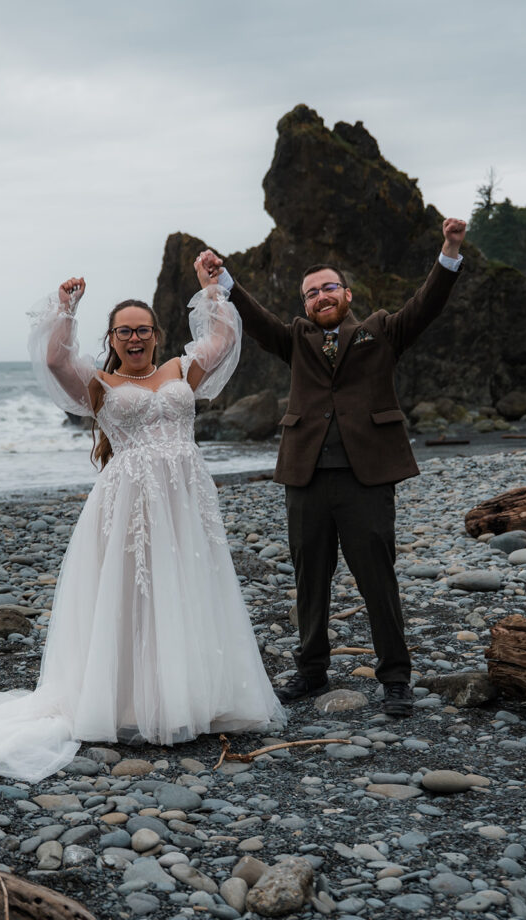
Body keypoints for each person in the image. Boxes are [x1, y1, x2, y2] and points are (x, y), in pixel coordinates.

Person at [0, 261, 284, 781]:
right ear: (113, 339)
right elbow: (53, 358)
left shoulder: (184, 371)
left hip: (186, 498)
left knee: (188, 586)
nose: (134, 337)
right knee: (132, 595)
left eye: (143, 329)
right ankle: (130, 705)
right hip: (128, 503)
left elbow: (226, 336)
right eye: (124, 331)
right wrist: (66, 308)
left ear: (157, 336)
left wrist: (211, 286)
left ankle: (193, 697)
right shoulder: (99, 384)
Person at [196, 217, 466, 717]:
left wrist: (449, 250)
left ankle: (395, 678)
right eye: (310, 293)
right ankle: (311, 670)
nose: (320, 297)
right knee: (309, 577)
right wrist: (223, 278)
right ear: (304, 305)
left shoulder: (382, 330)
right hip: (306, 476)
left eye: (328, 288)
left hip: (367, 476)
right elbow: (255, 319)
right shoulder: (295, 339)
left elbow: (427, 305)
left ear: (346, 294)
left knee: (377, 579)